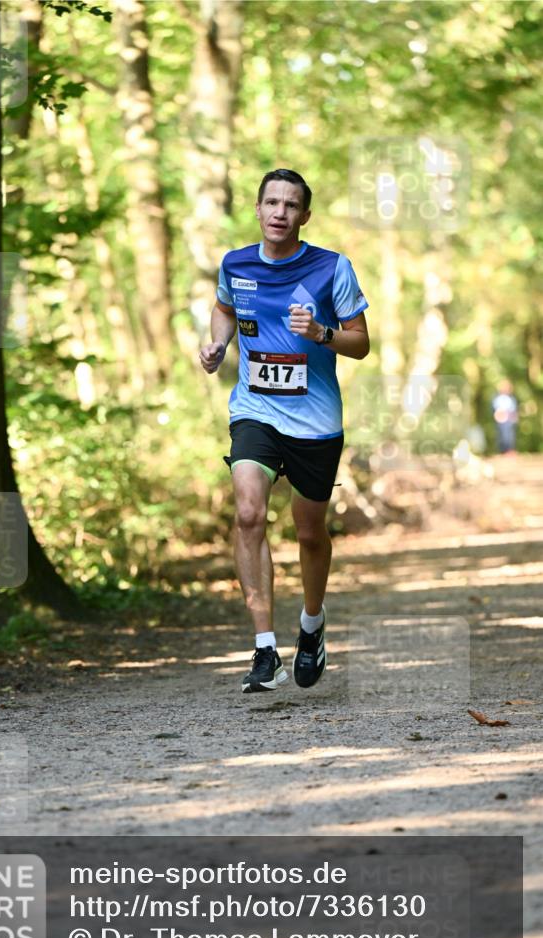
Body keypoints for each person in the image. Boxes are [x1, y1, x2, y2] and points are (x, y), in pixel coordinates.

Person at [199, 168, 370, 694]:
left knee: (310, 533)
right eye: (271, 203)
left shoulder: (331, 268)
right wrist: (217, 344)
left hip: (315, 422)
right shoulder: (235, 263)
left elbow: (361, 342)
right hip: (255, 409)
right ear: (257, 210)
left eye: (290, 205)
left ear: (304, 215)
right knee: (249, 512)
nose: (279, 213)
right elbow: (225, 309)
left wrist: (321, 333)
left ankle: (312, 625)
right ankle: (265, 648)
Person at [491, 379, 519, 455]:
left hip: (509, 419)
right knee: (503, 435)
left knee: (510, 435)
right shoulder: (498, 398)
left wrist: (514, 417)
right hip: (501, 419)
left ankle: (509, 450)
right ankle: (503, 451)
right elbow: (495, 409)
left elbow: (513, 409)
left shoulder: (511, 399)